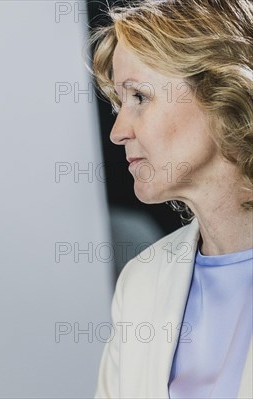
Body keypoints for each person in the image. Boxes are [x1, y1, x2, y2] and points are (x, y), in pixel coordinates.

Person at [89, 0, 253, 397]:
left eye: (139, 97)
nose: (118, 131)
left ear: (221, 92)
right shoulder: (141, 282)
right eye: (118, 104)